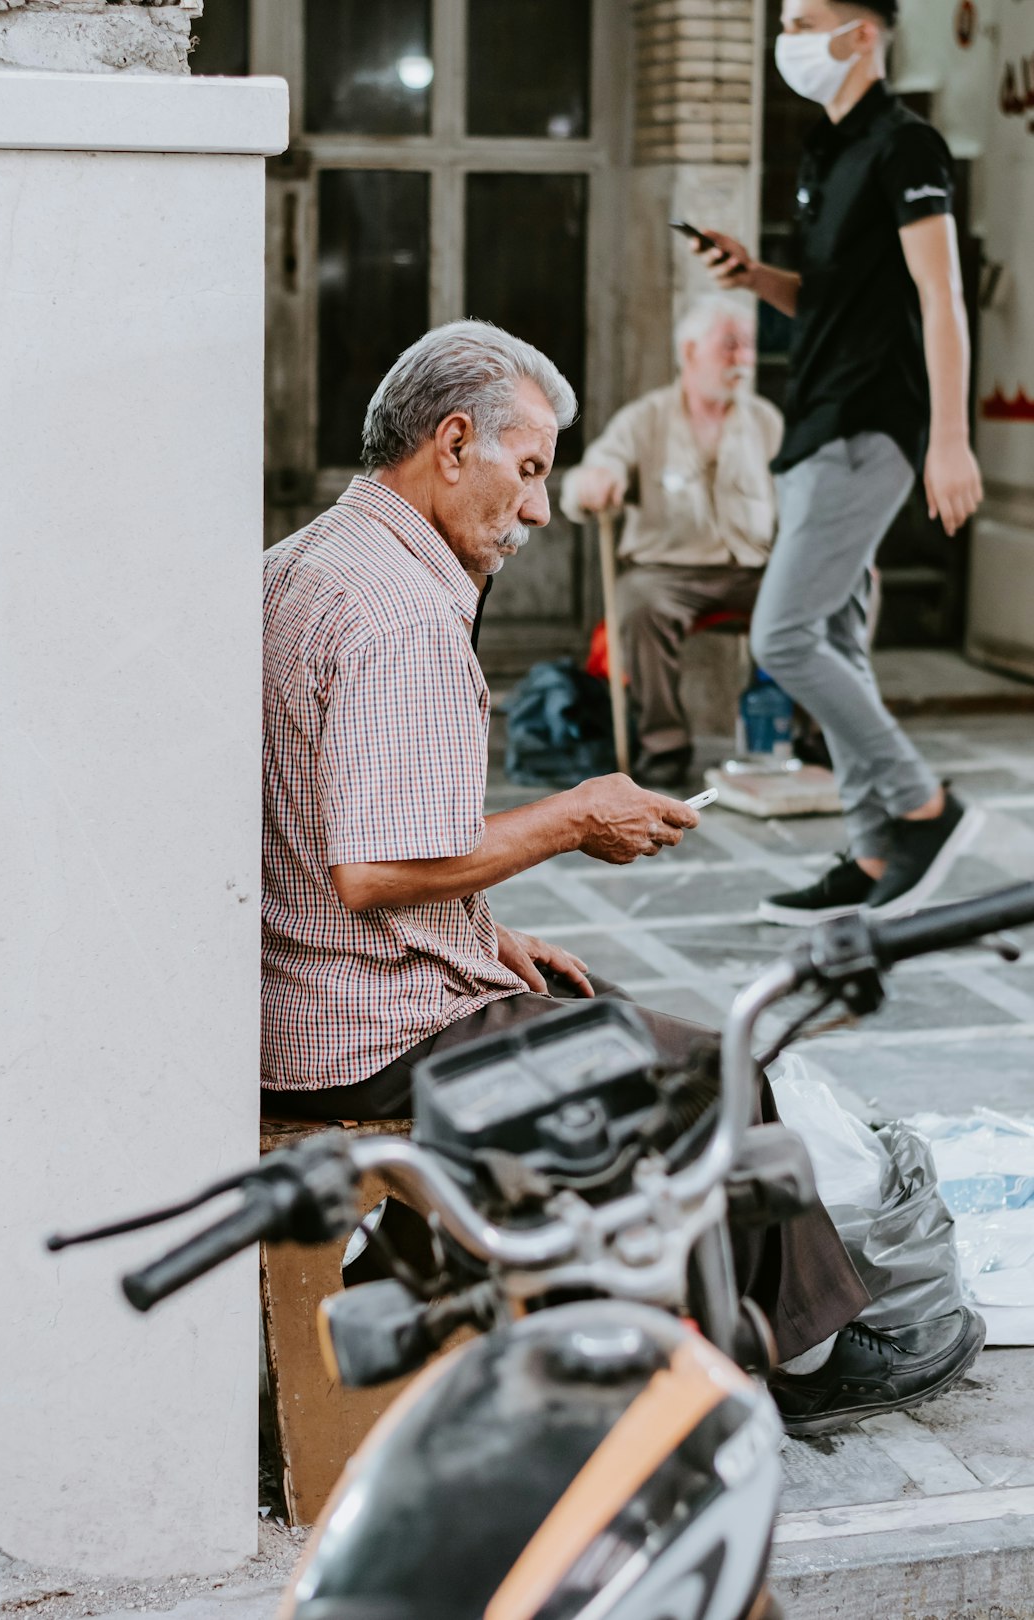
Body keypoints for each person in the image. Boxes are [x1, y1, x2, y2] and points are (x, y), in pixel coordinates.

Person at [262, 318, 983, 1433]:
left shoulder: (307, 561)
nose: (541, 509)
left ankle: (600, 1330)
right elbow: (368, 871)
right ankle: (791, 1363)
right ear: (453, 444)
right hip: (361, 1035)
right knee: (713, 1076)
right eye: (530, 469)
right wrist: (572, 815)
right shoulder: (401, 614)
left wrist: (482, 932)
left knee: (603, 1012)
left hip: (305, 995)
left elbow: (320, 827)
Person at [695, 0, 984, 926]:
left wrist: (948, 439)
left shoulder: (908, 148)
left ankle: (922, 805)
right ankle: (868, 854)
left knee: (783, 636)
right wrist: (754, 278)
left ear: (863, 32)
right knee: (836, 641)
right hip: (815, 423)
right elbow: (826, 298)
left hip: (874, 423)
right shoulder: (826, 151)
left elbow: (942, 298)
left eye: (807, 20)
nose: (789, 39)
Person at [560, 296, 783, 788]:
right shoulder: (646, 419)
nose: (742, 358)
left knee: (821, 593)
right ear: (689, 351)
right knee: (637, 602)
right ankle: (664, 745)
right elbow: (590, 475)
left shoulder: (765, 421)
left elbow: (797, 495)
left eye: (748, 347)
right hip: (668, 572)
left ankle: (809, 737)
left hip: (754, 568)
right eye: (729, 346)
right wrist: (596, 482)